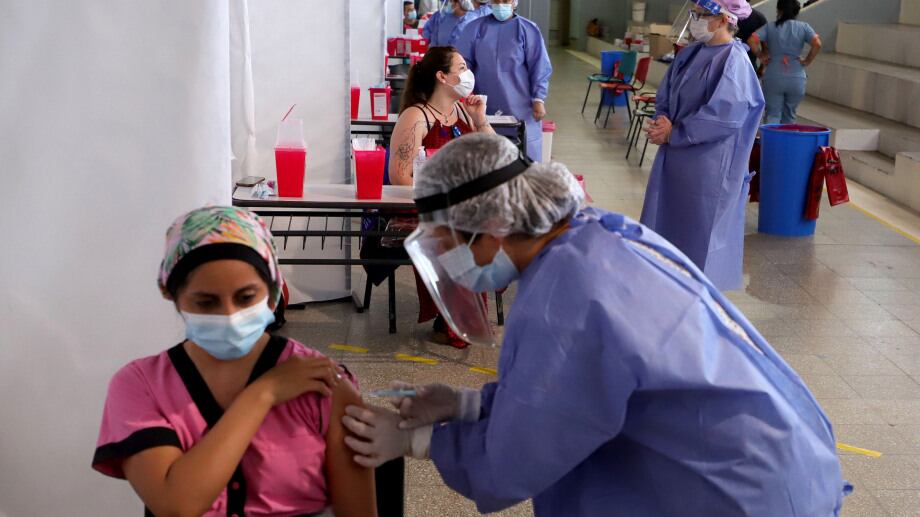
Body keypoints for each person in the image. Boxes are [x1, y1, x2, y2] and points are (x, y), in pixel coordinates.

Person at [336, 133, 848, 516]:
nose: (449, 263)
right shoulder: (596, 236)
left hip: (731, 492)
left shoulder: (567, 298)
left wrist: (418, 441)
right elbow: (589, 392)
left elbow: (518, 459)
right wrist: (470, 405)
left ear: (491, 229)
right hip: (775, 460)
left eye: (447, 246)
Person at [91, 206, 376, 517]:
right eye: (206, 302)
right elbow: (175, 505)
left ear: (272, 293)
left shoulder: (324, 384)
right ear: (171, 295)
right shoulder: (140, 386)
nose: (229, 315)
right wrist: (262, 394)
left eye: (245, 298)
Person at [364, 46, 493, 348]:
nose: (467, 74)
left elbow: (494, 158)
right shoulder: (416, 117)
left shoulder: (462, 110)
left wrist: (481, 119)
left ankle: (462, 316)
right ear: (442, 77)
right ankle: (452, 320)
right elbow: (400, 177)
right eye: (461, 68)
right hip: (420, 207)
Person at [640, 0, 765, 291]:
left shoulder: (734, 61)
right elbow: (667, 92)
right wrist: (663, 120)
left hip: (708, 168)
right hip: (674, 163)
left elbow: (725, 116)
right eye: (694, 14)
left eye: (701, 15)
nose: (694, 19)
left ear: (722, 19)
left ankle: (697, 303)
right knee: (667, 227)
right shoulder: (692, 53)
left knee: (701, 238)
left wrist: (677, 133)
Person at [456, 0, 552, 162]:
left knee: (524, 163)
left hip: (521, 108)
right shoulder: (474, 28)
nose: (500, 4)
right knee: (487, 160)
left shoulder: (527, 29)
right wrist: (461, 94)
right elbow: (462, 66)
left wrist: (538, 98)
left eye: (505, 0)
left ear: (514, 2)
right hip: (482, 107)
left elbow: (539, 66)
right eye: (496, 0)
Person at [749, 0, 822, 124]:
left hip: (774, 75)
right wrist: (807, 61)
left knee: (772, 114)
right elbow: (817, 43)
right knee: (790, 115)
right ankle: (787, 141)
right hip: (796, 76)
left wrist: (761, 55)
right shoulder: (804, 27)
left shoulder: (770, 27)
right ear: (796, 11)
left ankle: (772, 142)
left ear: (779, 10)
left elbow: (752, 40)